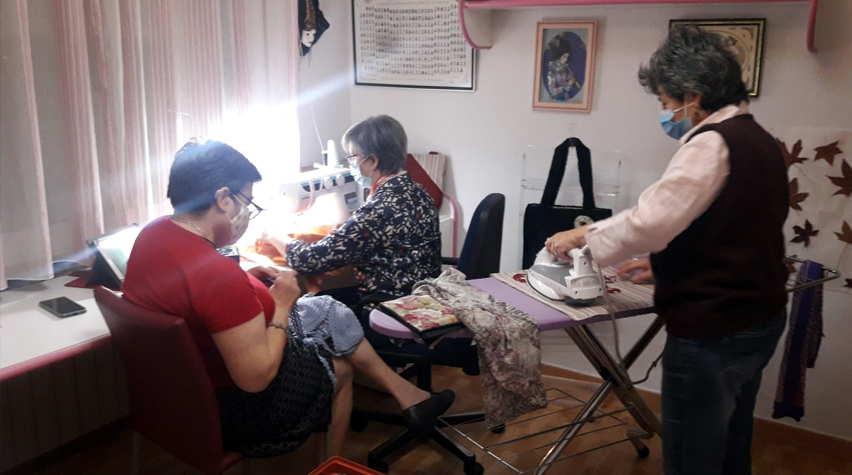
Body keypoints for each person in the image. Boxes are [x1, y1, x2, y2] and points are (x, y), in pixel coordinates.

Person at [545, 26, 789, 475]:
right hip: (760, 316)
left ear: (692, 95)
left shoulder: (712, 144)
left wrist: (582, 237)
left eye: (665, 102)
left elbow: (651, 222)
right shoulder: (760, 140)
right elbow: (734, 231)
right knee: (731, 441)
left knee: (691, 453)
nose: (666, 112)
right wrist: (664, 265)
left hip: (716, 330)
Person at [122, 139, 453, 460]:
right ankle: (331, 466)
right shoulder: (216, 275)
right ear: (223, 198)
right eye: (246, 202)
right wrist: (280, 304)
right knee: (340, 366)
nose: (246, 212)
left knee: (326, 308)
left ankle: (407, 395)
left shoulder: (153, 234)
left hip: (171, 399)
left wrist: (251, 279)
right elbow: (256, 379)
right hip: (235, 408)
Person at [261, 115, 441, 310]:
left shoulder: (378, 208)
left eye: (353, 157)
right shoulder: (419, 191)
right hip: (424, 302)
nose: (351, 164)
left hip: (388, 309)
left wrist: (273, 236)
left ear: (372, 161)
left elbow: (310, 260)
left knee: (304, 308)